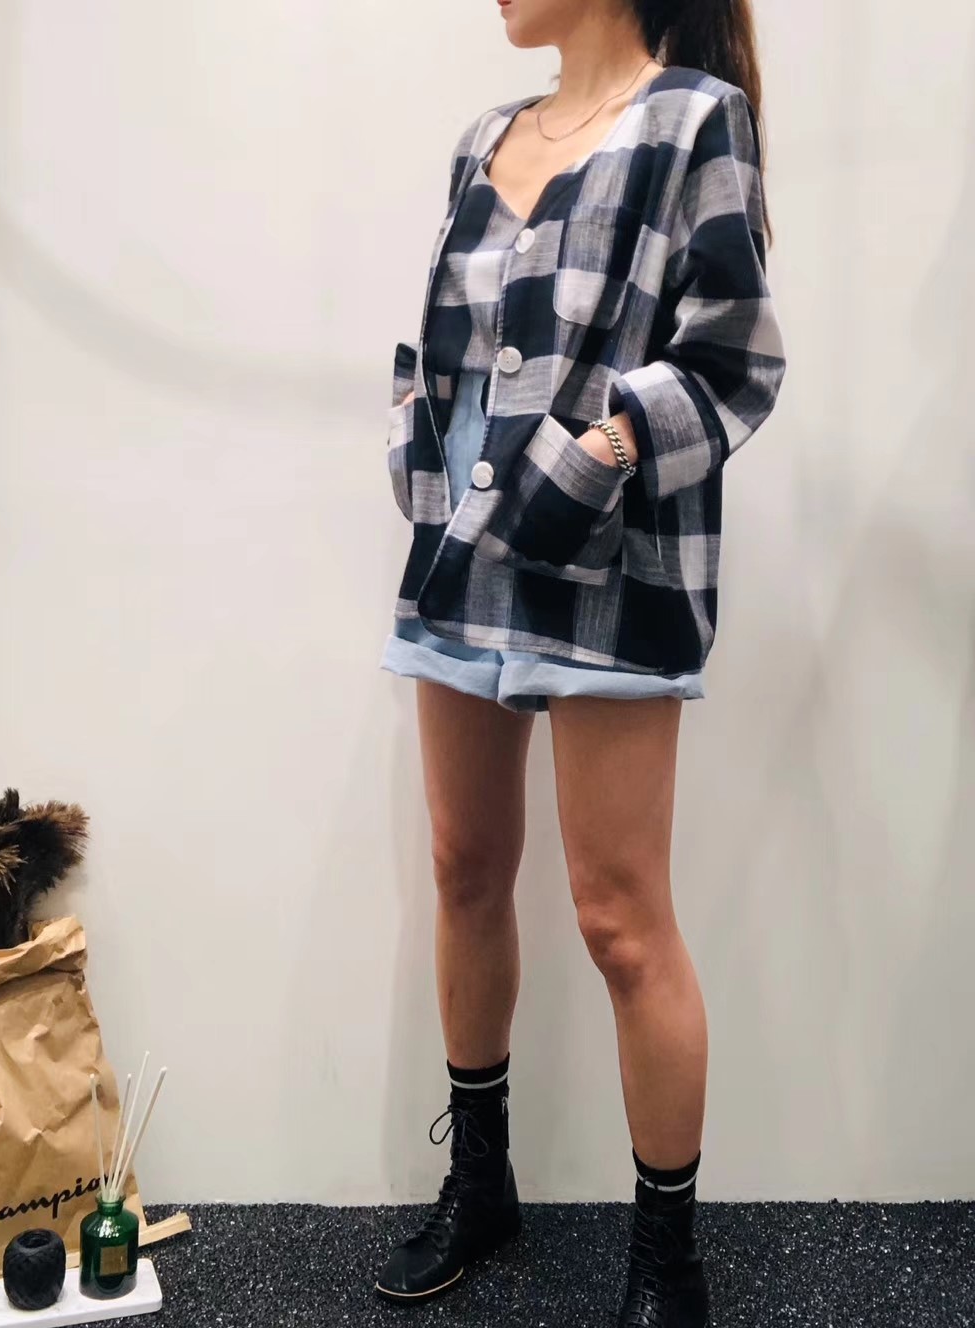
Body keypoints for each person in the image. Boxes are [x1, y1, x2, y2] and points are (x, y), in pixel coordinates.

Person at [376, 1, 785, 1322]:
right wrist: (411, 442)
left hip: (611, 571)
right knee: (463, 869)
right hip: (460, 562)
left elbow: (736, 357)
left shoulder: (694, 120)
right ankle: (481, 1183)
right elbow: (439, 347)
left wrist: (602, 452)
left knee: (620, 920)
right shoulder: (483, 139)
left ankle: (669, 1265)